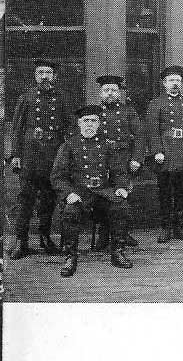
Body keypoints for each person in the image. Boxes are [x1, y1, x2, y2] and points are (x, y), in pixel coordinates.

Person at [51, 105, 132, 277]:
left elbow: (119, 172)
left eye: (93, 121)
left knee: (121, 206)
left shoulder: (107, 146)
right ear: (79, 123)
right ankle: (70, 257)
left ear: (99, 124)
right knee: (70, 211)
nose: (89, 124)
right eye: (86, 121)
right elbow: (58, 176)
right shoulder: (69, 145)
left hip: (102, 192)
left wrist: (121, 188)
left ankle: (117, 252)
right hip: (80, 193)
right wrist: (68, 194)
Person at [9, 59, 75, 260]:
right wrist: (16, 155)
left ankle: (45, 238)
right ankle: (21, 241)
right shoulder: (26, 98)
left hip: (53, 154)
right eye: (40, 73)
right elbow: (17, 129)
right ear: (35, 76)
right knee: (25, 198)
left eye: (48, 72)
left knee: (48, 198)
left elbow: (70, 127)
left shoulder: (62, 98)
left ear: (54, 76)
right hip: (30, 154)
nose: (44, 76)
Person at [145, 65, 183, 243]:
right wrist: (157, 151)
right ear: (164, 83)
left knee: (182, 191)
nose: (175, 84)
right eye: (171, 81)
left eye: (178, 80)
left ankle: (179, 226)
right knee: (165, 191)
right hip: (166, 152)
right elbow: (152, 130)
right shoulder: (156, 103)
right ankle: (166, 227)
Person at [90, 75, 143, 251]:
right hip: (100, 162)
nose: (110, 93)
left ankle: (122, 232)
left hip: (123, 160)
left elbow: (140, 136)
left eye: (114, 90)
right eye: (106, 90)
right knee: (104, 195)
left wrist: (136, 158)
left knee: (124, 195)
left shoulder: (129, 111)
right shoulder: (94, 113)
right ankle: (104, 234)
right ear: (100, 93)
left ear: (119, 93)